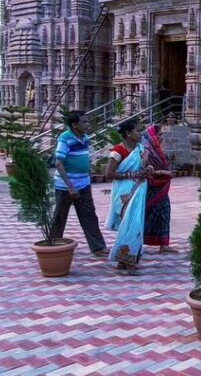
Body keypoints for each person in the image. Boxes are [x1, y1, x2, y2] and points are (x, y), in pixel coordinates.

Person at [51, 111, 108, 256]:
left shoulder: (85, 138)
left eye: (87, 121)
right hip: (65, 187)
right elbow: (58, 163)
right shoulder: (64, 139)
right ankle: (53, 245)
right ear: (74, 125)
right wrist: (70, 187)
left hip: (84, 184)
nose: (87, 124)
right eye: (84, 122)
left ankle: (98, 247)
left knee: (89, 215)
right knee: (60, 216)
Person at [105, 118, 147, 273]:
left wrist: (147, 167)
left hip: (139, 189)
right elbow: (109, 173)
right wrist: (132, 174)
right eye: (138, 130)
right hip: (124, 193)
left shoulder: (141, 149)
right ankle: (127, 260)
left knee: (135, 226)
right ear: (128, 133)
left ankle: (126, 260)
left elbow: (144, 166)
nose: (141, 133)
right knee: (130, 226)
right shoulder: (118, 151)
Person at [141, 124, 178, 252]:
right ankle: (136, 240)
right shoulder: (146, 151)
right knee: (147, 215)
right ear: (153, 137)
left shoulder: (158, 150)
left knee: (165, 213)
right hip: (152, 189)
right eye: (159, 135)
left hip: (161, 188)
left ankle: (164, 244)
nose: (161, 137)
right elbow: (145, 170)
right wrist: (164, 172)